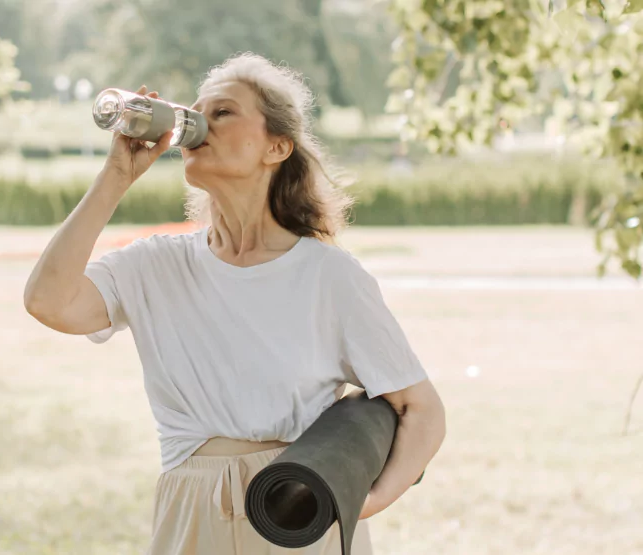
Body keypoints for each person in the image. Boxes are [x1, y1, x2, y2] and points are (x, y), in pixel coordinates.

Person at [24, 52, 446, 555]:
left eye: (222, 112)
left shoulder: (329, 277)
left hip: (294, 510)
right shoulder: (152, 266)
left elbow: (420, 409)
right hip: (190, 512)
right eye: (196, 112)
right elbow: (48, 302)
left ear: (276, 146)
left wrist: (366, 500)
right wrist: (116, 174)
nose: (199, 124)